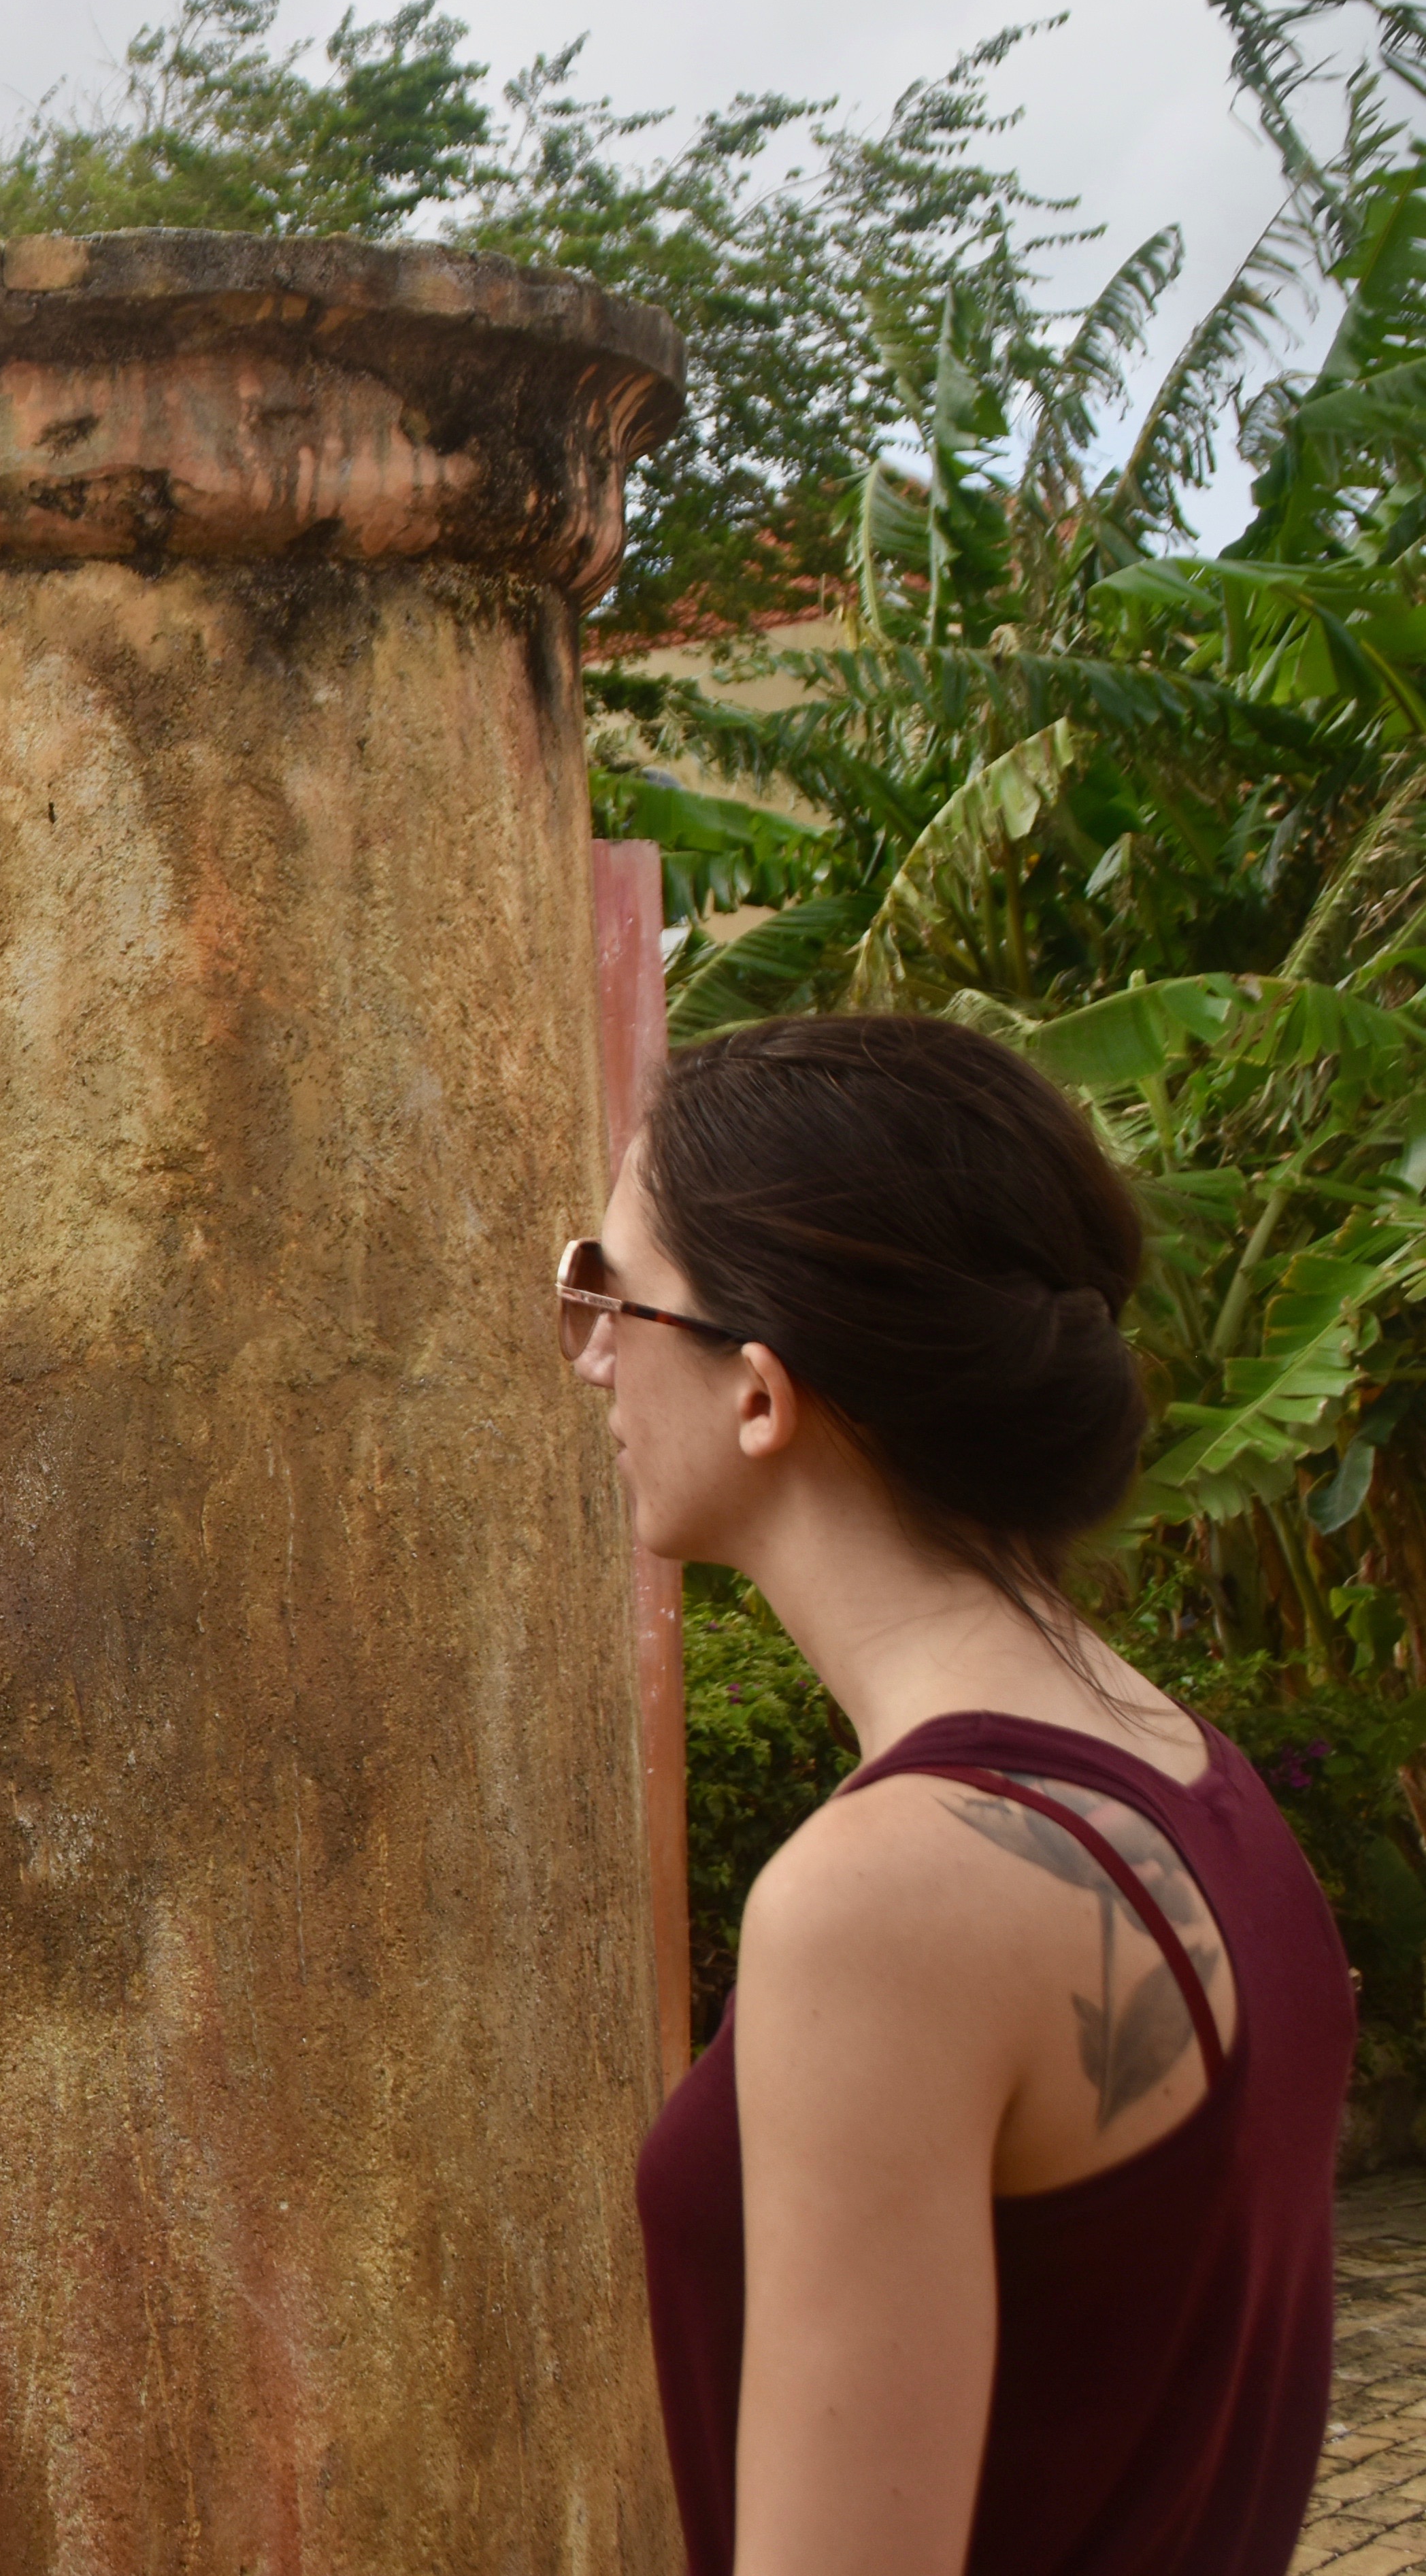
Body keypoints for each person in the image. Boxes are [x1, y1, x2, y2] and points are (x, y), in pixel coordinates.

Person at [574, 1012, 1352, 2576]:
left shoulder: (884, 1900)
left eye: (613, 1287)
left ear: (759, 1391)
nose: (589, 1347)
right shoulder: (1185, 1770)